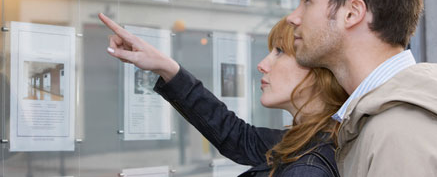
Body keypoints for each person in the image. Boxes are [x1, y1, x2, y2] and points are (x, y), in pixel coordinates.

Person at [287, 0, 437, 177]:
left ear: (352, 13)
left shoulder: (399, 134)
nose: (293, 17)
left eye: (307, 0)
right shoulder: (383, 121)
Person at [99, 13, 348, 177]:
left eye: (280, 52)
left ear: (317, 69)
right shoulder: (309, 140)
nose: (262, 64)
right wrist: (166, 67)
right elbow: (237, 137)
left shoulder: (309, 167)